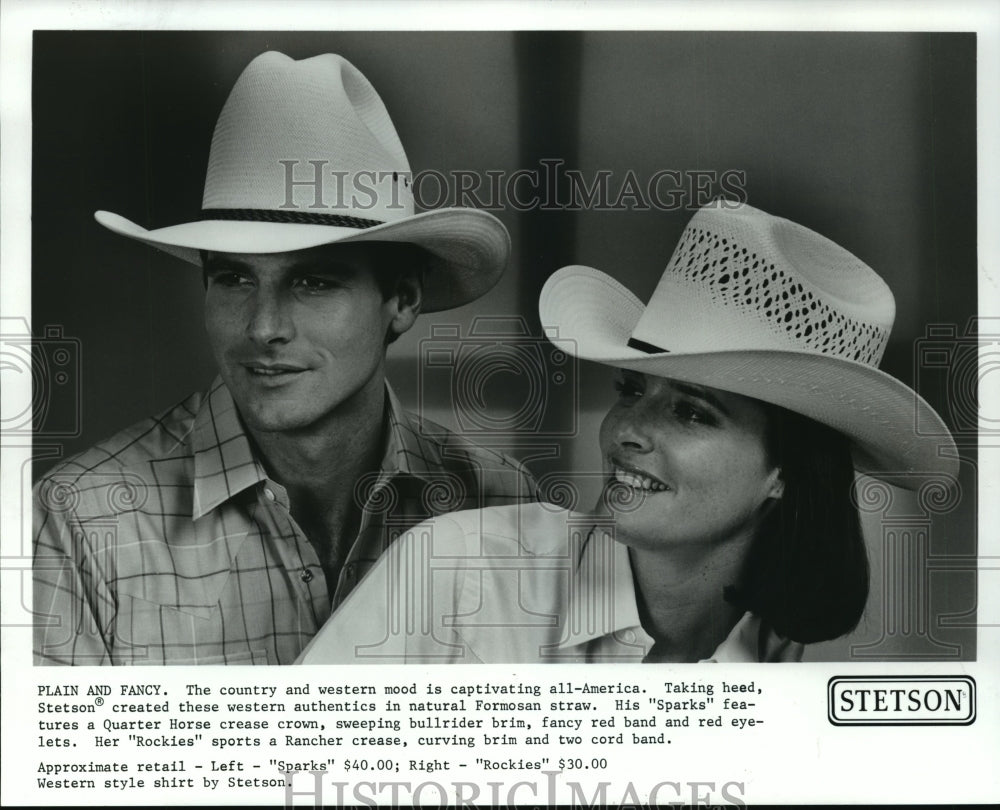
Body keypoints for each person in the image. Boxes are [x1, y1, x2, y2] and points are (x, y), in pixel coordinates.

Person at [32, 51, 537, 666]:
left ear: (402, 300)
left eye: (315, 282)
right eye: (235, 279)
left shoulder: (501, 499)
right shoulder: (81, 522)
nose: (264, 327)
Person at [297, 201, 959, 664]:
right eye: (632, 390)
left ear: (784, 471)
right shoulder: (460, 574)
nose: (628, 432)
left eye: (693, 412)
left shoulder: (798, 670)